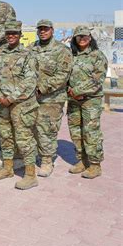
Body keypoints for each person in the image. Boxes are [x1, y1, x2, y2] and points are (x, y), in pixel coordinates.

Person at [0, 20, 39, 190]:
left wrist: (10, 98)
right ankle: (8, 168)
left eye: (14, 33)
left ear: (20, 35)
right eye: (8, 33)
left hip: (21, 104)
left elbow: (30, 81)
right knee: (6, 136)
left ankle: (31, 175)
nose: (11, 36)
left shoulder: (27, 55)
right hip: (2, 103)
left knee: (24, 138)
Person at [30, 19, 73, 177]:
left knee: (47, 129)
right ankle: (36, 155)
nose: (43, 31)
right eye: (40, 29)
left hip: (52, 98)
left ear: (52, 30)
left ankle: (47, 161)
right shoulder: (32, 48)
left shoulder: (62, 50)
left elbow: (63, 74)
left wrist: (43, 88)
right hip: (33, 97)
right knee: (34, 128)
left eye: (46, 29)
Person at [67, 25, 107, 179]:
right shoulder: (72, 56)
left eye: (85, 36)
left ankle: (95, 165)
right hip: (73, 102)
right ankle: (82, 161)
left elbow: (97, 80)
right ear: (75, 39)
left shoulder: (98, 56)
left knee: (91, 133)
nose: (82, 39)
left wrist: (77, 91)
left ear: (90, 38)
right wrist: (70, 91)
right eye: (79, 36)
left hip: (91, 101)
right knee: (76, 132)